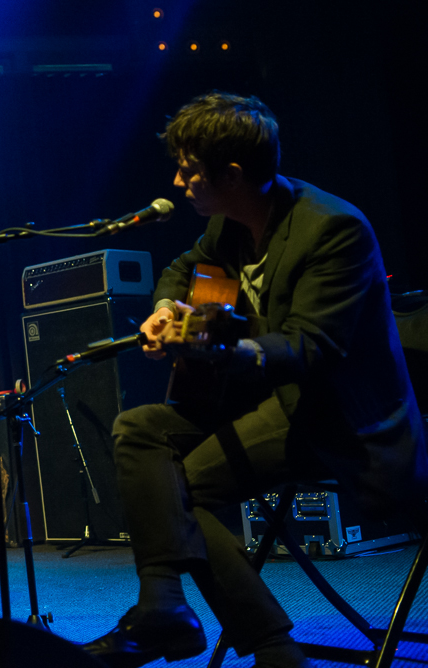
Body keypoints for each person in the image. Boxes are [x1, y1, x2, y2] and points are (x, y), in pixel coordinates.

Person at [82, 92, 426, 667]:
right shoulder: (230, 225)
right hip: (268, 403)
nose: (178, 179)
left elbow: (308, 350)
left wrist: (224, 348)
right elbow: (182, 268)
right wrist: (168, 308)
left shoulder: (333, 230)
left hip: (340, 424)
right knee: (140, 430)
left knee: (180, 487)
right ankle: (164, 603)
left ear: (234, 174)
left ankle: (267, 645)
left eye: (190, 170)